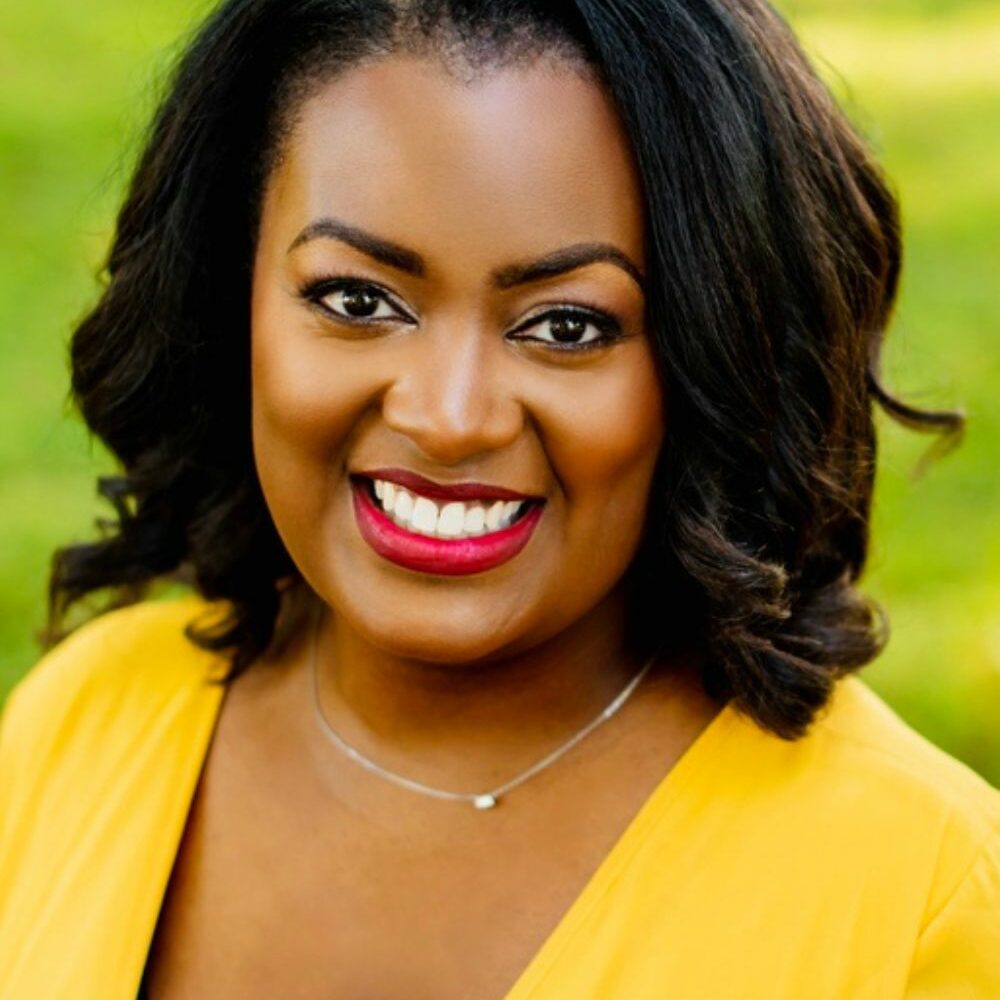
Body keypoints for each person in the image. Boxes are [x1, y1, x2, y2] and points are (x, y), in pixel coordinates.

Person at [0, 0, 996, 997]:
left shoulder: (920, 896)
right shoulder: (86, 723)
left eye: (566, 326)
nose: (448, 417)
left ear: (719, 358)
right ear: (231, 301)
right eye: (356, 300)